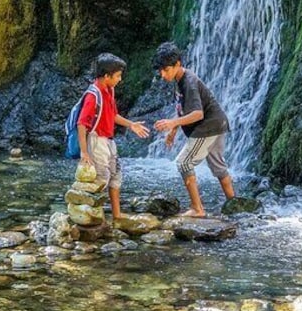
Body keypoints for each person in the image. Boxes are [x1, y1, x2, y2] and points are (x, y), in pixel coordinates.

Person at [152, 42, 235, 216]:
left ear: (177, 64)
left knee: (184, 163)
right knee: (218, 167)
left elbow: (197, 113)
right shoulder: (179, 80)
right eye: (160, 70)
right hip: (219, 123)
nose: (162, 74)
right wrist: (173, 132)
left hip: (208, 126)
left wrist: (173, 123)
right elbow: (182, 108)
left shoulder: (188, 82)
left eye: (165, 69)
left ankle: (198, 209)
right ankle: (234, 204)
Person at [77, 53, 150, 221]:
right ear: (106, 76)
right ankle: (94, 216)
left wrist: (131, 125)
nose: (120, 79)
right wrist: (84, 152)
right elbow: (81, 124)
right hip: (96, 141)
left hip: (109, 140)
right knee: (101, 178)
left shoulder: (109, 90)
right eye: (117, 76)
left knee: (115, 175)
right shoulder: (93, 96)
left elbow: (113, 115)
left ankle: (116, 214)